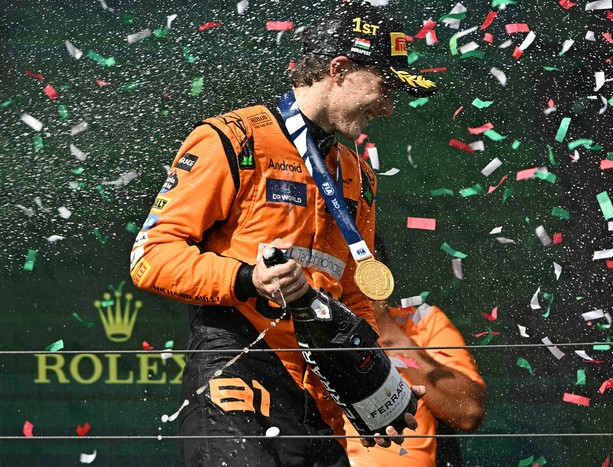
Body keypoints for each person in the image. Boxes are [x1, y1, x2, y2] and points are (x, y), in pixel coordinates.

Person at [128, 2, 437, 466]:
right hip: (238, 368)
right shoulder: (232, 139)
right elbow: (150, 256)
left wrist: (373, 379)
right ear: (339, 68)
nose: (390, 107)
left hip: (321, 394)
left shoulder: (358, 176)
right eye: (384, 87)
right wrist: (249, 279)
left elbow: (354, 295)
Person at [344, 239, 486, 467]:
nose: (357, 284)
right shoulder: (300, 329)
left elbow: (468, 412)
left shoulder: (422, 321)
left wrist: (390, 337)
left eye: (368, 272)